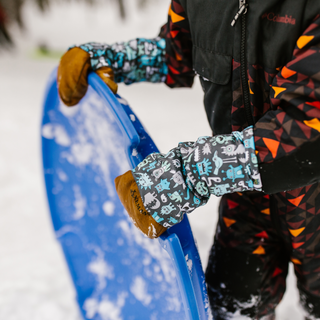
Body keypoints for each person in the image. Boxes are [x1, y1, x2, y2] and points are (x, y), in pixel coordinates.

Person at [57, 1, 320, 319]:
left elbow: (308, 129)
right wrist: (115, 60)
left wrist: (189, 174)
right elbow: (177, 52)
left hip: (313, 202)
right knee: (231, 309)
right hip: (246, 198)